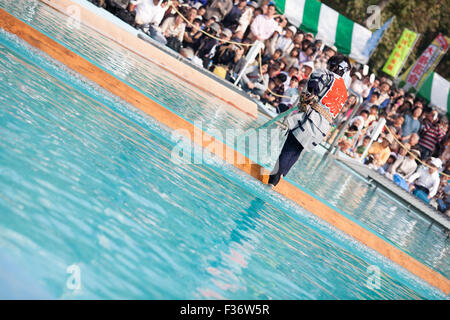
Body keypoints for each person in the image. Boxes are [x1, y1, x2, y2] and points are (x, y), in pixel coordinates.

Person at [267, 54, 351, 186]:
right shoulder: (344, 91)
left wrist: (308, 98)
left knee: (289, 148)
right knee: (296, 150)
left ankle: (271, 182)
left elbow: (313, 87)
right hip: (322, 127)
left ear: (334, 65)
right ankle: (279, 177)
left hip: (310, 119)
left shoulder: (326, 74)